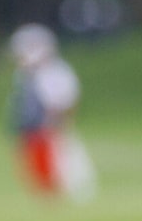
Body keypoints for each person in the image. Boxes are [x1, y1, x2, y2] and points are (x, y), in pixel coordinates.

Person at [6, 22, 94, 202]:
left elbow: (64, 99)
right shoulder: (24, 75)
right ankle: (44, 191)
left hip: (48, 123)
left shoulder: (56, 71)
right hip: (30, 124)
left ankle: (62, 190)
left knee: (59, 158)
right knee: (32, 160)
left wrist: (59, 120)